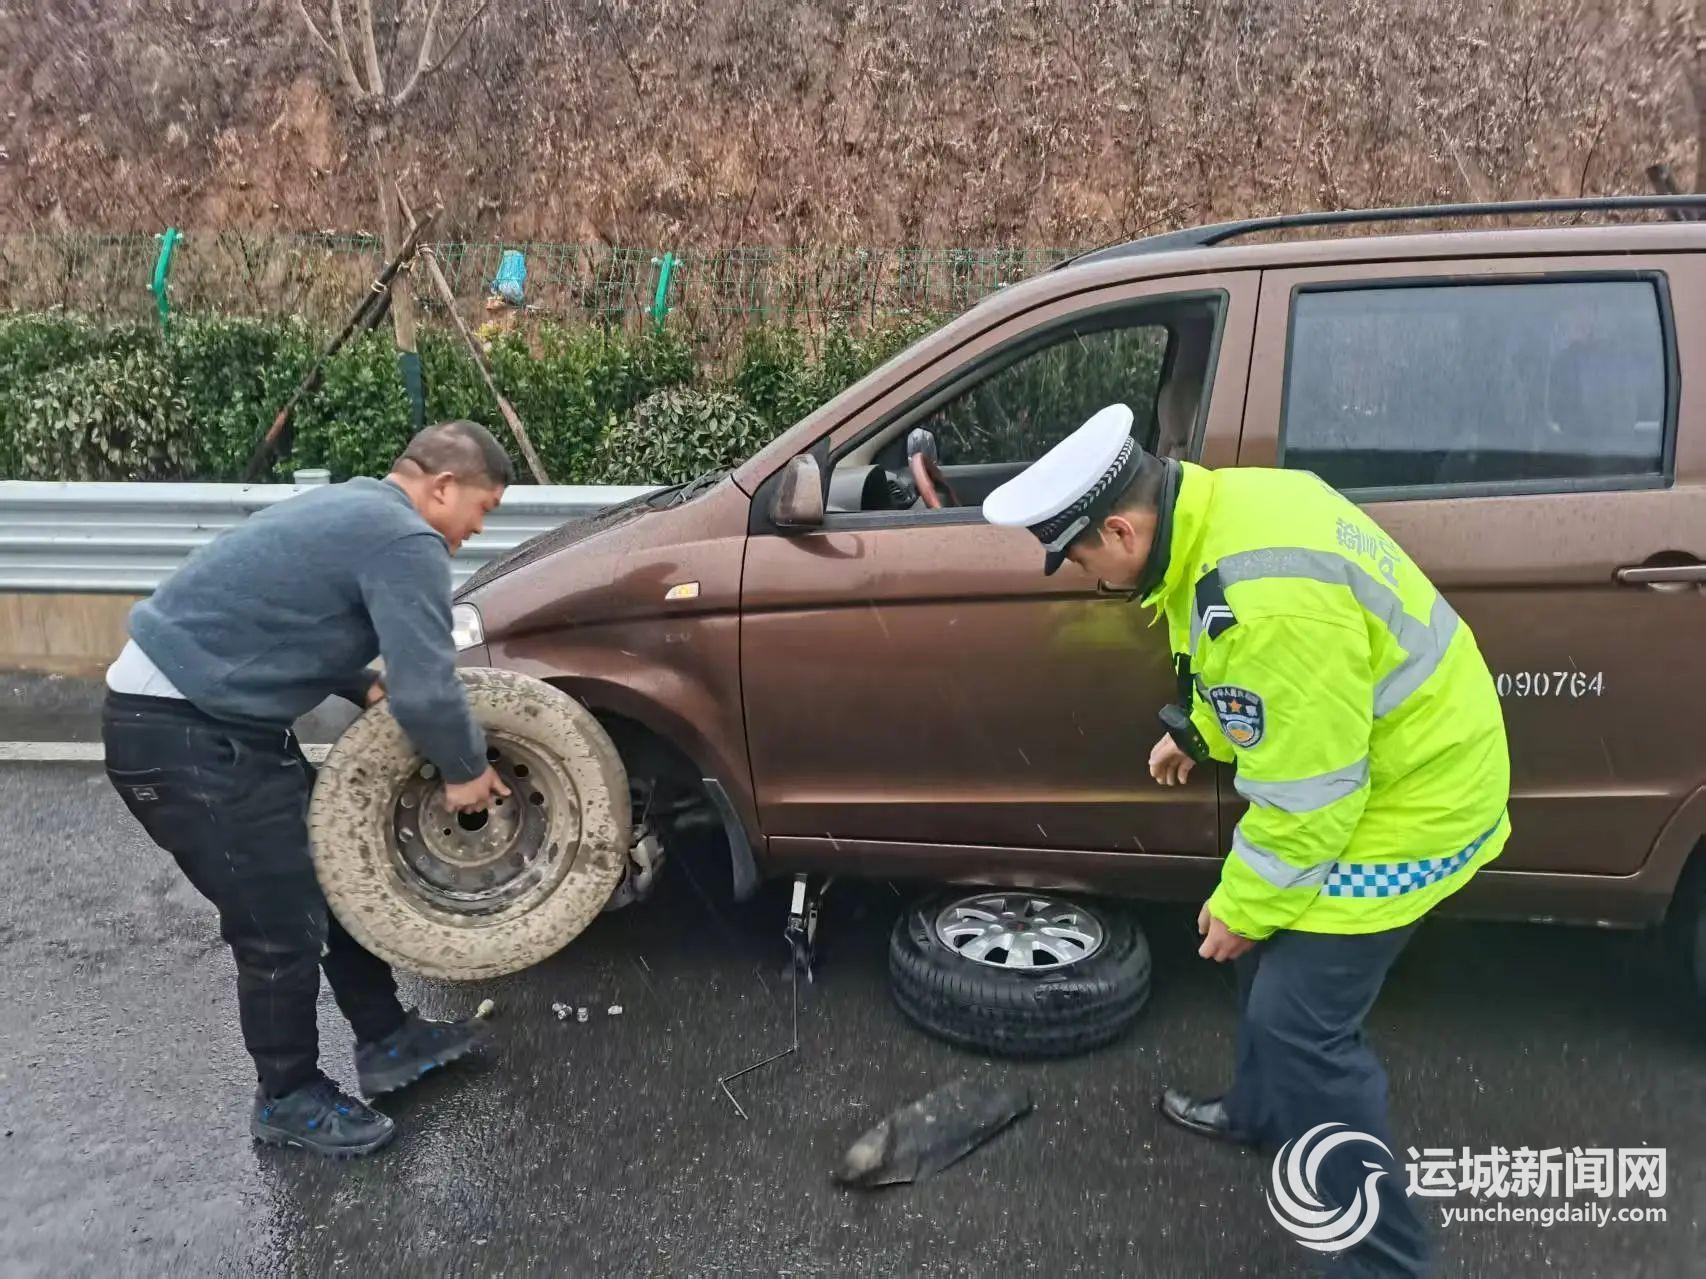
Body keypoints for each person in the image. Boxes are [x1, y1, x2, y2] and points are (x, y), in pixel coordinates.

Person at [983, 404, 1510, 1275]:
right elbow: (1235, 663)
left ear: (1121, 530)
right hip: (1384, 763)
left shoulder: (1267, 598)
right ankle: (1265, 1113)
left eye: (1082, 561)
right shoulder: (1218, 514)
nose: (1090, 579)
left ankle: (1386, 1259)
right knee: (1261, 954)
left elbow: (1312, 799)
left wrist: (1242, 906)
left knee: (1300, 1025)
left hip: (1416, 801)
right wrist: (1199, 730)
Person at [102, 420, 516, 1158]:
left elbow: (280, 614)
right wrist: (464, 770)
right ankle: (286, 1096)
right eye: (481, 509)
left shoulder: (357, 507)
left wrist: (358, 683)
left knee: (332, 876)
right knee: (277, 923)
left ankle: (388, 1040)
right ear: (443, 486)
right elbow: (428, 686)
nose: (477, 529)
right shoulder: (406, 538)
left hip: (208, 720)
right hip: (183, 733)